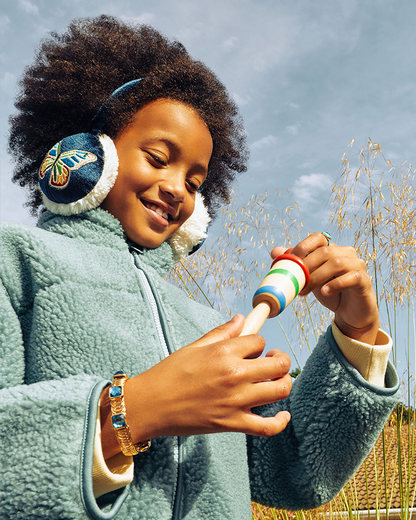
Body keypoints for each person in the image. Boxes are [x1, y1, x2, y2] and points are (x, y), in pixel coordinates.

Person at [0, 15, 400, 520]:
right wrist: (134, 411)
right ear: (93, 154)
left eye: (195, 182)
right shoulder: (14, 263)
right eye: (158, 157)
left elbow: (297, 469)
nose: (176, 189)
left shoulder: (210, 328)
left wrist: (357, 334)